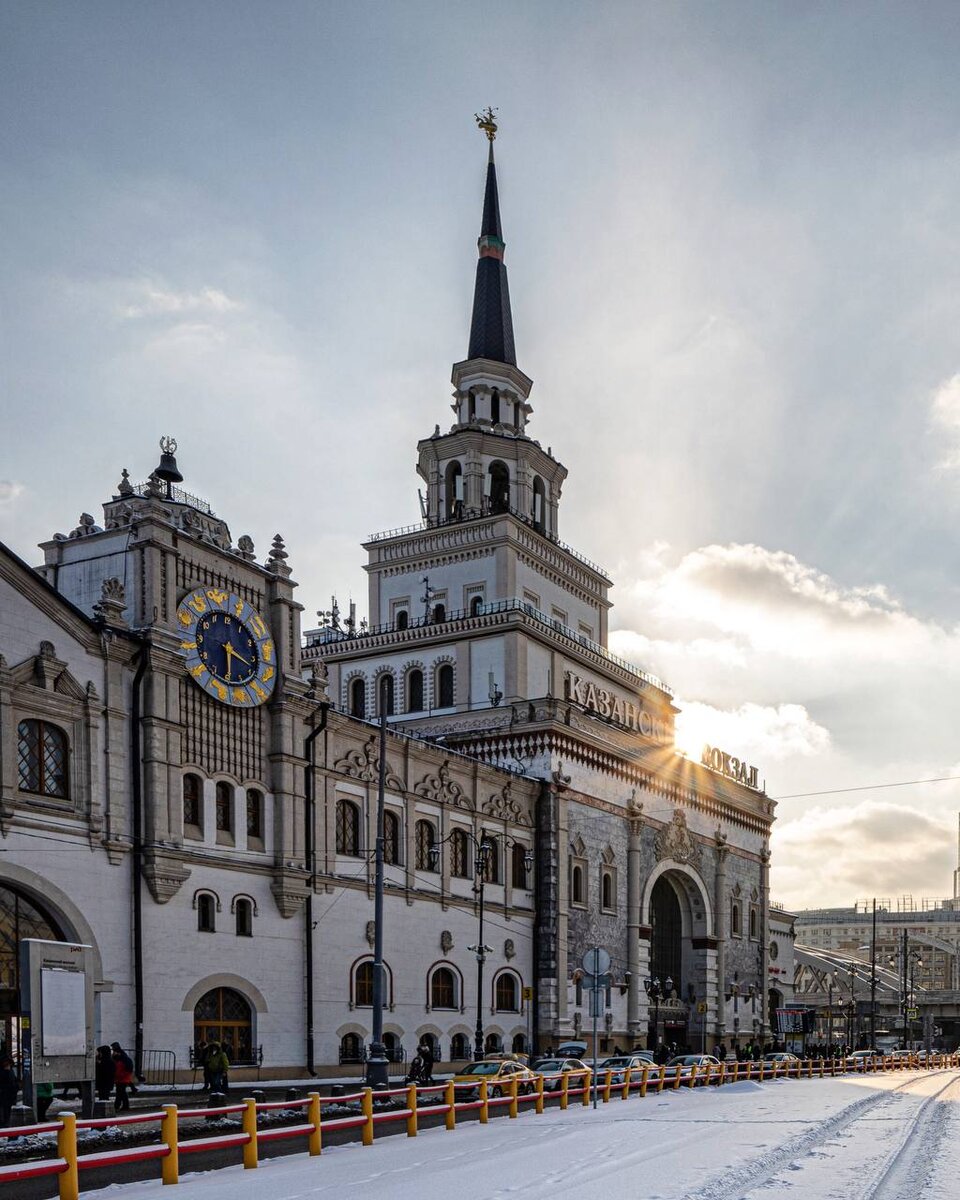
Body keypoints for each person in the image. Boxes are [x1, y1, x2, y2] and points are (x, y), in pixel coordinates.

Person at [111, 1042, 135, 1112]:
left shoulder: (122, 1058)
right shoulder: (121, 1057)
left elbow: (126, 1068)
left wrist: (120, 1075)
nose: (113, 1053)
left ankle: (122, 1105)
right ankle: (121, 1105)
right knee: (120, 1092)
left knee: (121, 1092)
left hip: (122, 1077)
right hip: (121, 1077)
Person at [0, 1056, 19, 1128]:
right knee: (4, 1110)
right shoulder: (5, 1071)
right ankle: (4, 1123)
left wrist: (16, 1087)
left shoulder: (10, 1070)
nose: (8, 1065)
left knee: (8, 1110)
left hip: (10, 1094)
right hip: (4, 1094)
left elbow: (14, 1080)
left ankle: (7, 1122)